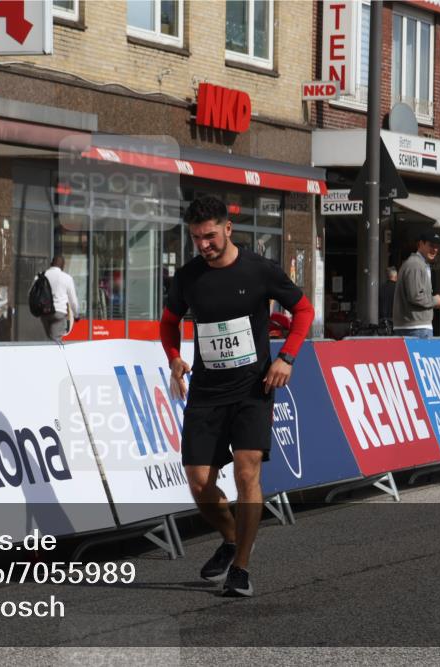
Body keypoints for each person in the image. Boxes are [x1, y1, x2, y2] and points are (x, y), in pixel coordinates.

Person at [160, 195, 314, 597]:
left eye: (210, 236)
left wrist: (287, 359)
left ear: (228, 229)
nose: (204, 245)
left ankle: (241, 568)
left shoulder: (260, 270)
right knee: (198, 483)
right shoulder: (189, 276)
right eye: (196, 238)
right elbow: (169, 322)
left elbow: (304, 312)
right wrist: (175, 357)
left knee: (247, 475)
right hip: (207, 392)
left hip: (253, 389)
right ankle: (231, 539)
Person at [393, 231, 440, 338]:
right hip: (415, 327)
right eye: (431, 245)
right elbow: (415, 296)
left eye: (437, 246)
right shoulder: (415, 264)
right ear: (421, 244)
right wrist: (435, 301)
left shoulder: (419, 264)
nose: (435, 249)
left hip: (415, 326)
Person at [39, 256, 79, 343]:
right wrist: (76, 315)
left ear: (51, 264)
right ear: (63, 266)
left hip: (44, 312)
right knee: (55, 341)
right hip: (59, 312)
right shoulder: (67, 278)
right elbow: (73, 301)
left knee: (47, 339)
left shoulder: (41, 275)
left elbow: (32, 293)